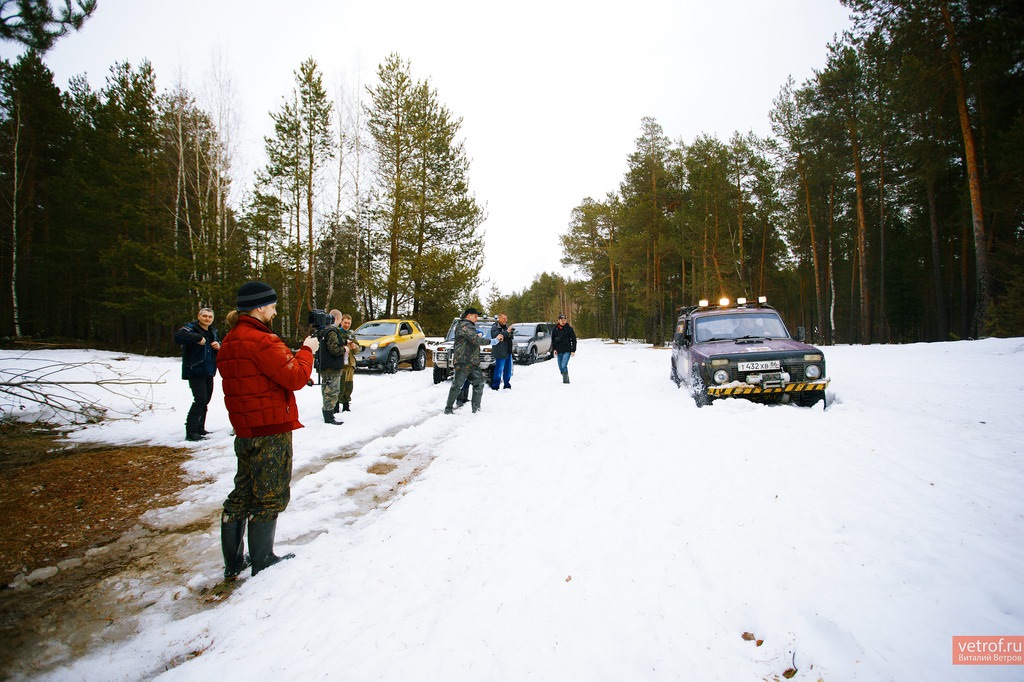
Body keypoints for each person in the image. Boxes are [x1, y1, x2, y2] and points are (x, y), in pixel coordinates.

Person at [216, 281, 320, 579]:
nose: (275, 313)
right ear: (260, 307)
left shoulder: (231, 340)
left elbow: (256, 380)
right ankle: (263, 559)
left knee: (242, 492)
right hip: (270, 429)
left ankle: (233, 562)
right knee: (269, 494)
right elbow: (296, 377)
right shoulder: (261, 340)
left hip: (245, 429)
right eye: (273, 307)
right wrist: (306, 350)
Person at [173, 307, 221, 441]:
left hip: (209, 370)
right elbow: (178, 336)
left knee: (205, 401)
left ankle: (200, 428)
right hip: (195, 370)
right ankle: (191, 431)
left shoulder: (213, 331)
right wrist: (197, 337)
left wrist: (219, 345)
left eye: (210, 317)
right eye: (204, 316)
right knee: (199, 400)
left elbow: (217, 345)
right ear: (199, 316)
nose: (207, 319)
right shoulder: (191, 328)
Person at [443, 307, 489, 414]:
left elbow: (472, 339)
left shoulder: (469, 327)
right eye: (475, 316)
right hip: (463, 362)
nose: (477, 319)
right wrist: (492, 341)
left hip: (472, 362)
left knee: (479, 384)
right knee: (457, 386)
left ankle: (476, 410)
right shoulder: (464, 326)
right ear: (469, 316)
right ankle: (448, 409)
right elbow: (475, 339)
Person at [317, 309, 345, 425]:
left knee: (326, 390)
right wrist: (344, 349)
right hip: (332, 366)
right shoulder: (332, 332)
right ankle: (329, 417)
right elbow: (334, 349)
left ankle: (328, 413)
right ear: (337, 319)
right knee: (332, 391)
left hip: (324, 365)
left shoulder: (323, 330)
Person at [338, 313, 359, 412]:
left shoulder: (351, 334)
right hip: (341, 364)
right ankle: (336, 405)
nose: (347, 325)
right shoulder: (337, 333)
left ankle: (346, 404)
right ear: (341, 322)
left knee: (349, 386)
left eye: (349, 323)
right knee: (340, 385)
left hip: (350, 364)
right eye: (345, 322)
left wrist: (355, 347)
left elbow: (357, 349)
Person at [489, 313, 513, 390]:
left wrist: (511, 334)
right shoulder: (495, 326)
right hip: (500, 352)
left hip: (508, 351)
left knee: (508, 370)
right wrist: (507, 332)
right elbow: (496, 335)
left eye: (506, 318)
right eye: (503, 318)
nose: (505, 320)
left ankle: (507, 385)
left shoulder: (505, 327)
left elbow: (507, 336)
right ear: (499, 319)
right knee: (499, 370)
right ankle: (495, 386)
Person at [552, 313, 577, 384]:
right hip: (559, 350)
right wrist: (554, 349)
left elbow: (574, 340)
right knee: (560, 367)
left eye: (564, 319)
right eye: (561, 320)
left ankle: (566, 382)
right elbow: (553, 340)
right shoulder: (555, 329)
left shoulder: (569, 329)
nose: (563, 321)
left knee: (564, 365)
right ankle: (565, 377)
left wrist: (573, 350)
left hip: (567, 350)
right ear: (558, 320)